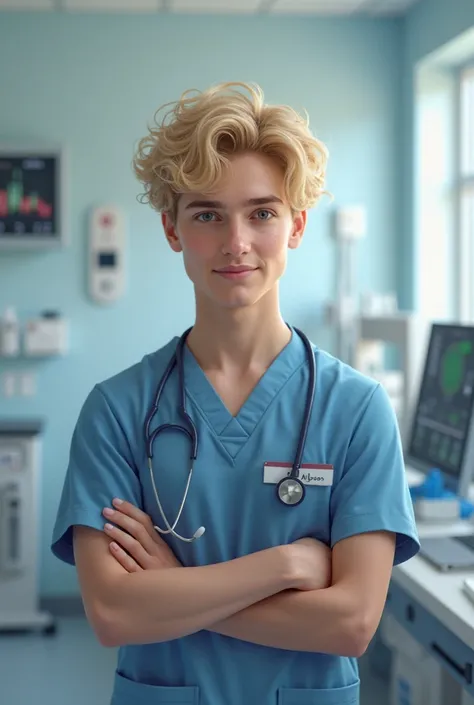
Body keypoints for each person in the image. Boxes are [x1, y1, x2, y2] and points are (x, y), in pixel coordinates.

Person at [51, 81, 419, 705]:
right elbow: (113, 614)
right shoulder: (117, 411)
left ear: (297, 225)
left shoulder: (356, 410)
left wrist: (172, 588)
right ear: (171, 229)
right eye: (206, 215)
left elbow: (353, 623)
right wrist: (284, 567)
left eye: (262, 213)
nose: (236, 242)